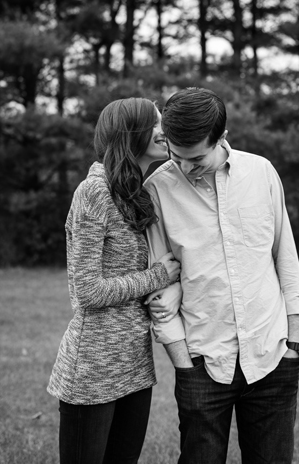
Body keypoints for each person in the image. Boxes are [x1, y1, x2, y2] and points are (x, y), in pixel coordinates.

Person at [143, 87, 299, 464]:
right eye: (175, 155)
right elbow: (160, 286)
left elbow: (286, 258)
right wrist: (183, 364)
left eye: (196, 158)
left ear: (222, 137)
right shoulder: (155, 190)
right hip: (202, 362)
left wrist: (293, 347)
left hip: (272, 355)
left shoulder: (261, 171)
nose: (184, 167)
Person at [48, 98, 182, 464]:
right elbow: (87, 291)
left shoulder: (138, 192)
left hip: (135, 361)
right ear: (129, 134)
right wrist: (158, 276)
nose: (163, 131)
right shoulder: (94, 193)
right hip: (93, 366)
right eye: (153, 123)